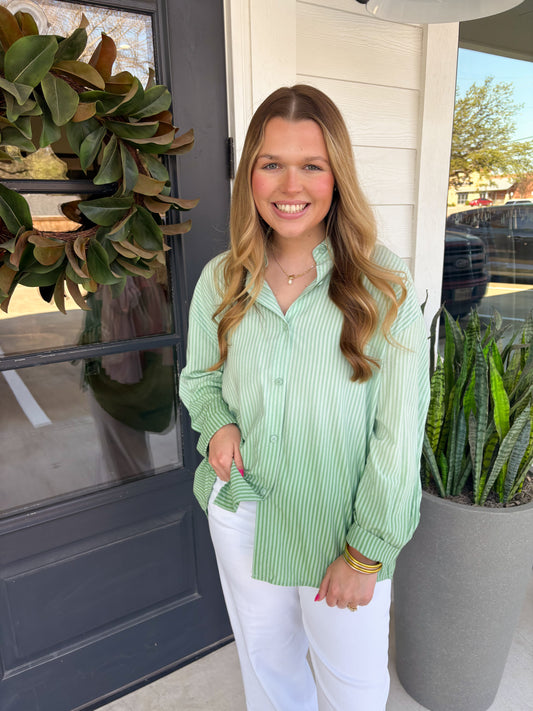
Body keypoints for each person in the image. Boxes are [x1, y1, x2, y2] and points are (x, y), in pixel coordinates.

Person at [179, 84, 430, 711]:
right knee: (267, 667)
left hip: (339, 529)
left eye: (311, 165)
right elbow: (199, 379)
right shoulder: (221, 278)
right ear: (251, 177)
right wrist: (215, 425)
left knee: (353, 687)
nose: (291, 186)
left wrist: (368, 550)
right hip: (243, 507)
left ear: (336, 174)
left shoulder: (383, 284)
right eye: (272, 164)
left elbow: (399, 434)